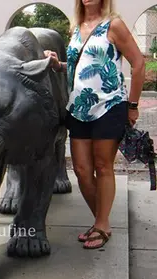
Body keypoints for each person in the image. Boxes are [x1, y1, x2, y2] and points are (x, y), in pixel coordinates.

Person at [44, 0, 145, 249]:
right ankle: (102, 221)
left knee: (103, 166)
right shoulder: (76, 27)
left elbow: (139, 64)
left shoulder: (114, 25)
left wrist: (132, 105)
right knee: (81, 170)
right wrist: (59, 66)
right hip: (78, 108)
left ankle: (101, 225)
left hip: (109, 106)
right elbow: (84, 67)